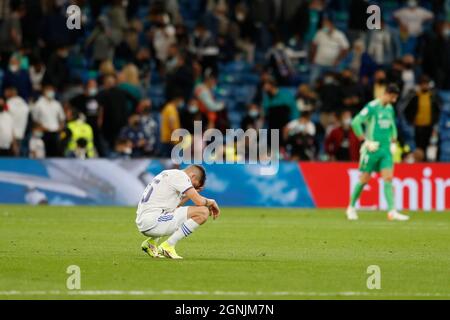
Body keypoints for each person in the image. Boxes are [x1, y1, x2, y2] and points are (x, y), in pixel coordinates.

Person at [346, 84, 409, 221]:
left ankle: (392, 211)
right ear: (386, 93)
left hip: (386, 150)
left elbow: (392, 125)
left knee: (388, 179)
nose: (394, 100)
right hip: (372, 149)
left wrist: (393, 140)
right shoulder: (372, 107)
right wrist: (364, 141)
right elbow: (356, 122)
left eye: (395, 98)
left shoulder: (389, 108)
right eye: (392, 97)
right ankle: (351, 207)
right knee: (364, 179)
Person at [137, 165, 220, 259]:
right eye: (194, 185)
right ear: (192, 176)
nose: (192, 187)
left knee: (179, 213)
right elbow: (199, 202)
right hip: (153, 221)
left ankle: (151, 243)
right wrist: (211, 201)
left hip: (148, 220)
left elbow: (175, 207)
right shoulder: (181, 176)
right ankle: (168, 246)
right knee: (203, 211)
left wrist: (190, 195)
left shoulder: (169, 173)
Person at [404, 75, 441, 158]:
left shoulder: (433, 97)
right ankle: (419, 162)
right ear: (420, 85)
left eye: (426, 84)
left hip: (429, 126)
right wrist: (411, 120)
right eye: (423, 84)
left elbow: (438, 110)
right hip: (418, 126)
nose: (424, 86)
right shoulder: (415, 96)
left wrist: (434, 121)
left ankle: (427, 162)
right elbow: (406, 110)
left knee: (429, 146)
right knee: (418, 146)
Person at [31, 84, 65, 157]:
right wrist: (41, 127)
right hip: (44, 133)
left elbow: (62, 118)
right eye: (48, 90)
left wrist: (60, 128)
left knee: (56, 154)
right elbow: (35, 119)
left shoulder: (57, 104)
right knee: (45, 154)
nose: (51, 92)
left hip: (56, 133)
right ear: (44, 91)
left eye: (52, 90)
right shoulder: (38, 104)